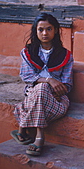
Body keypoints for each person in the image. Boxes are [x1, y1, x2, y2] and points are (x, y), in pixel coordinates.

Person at [10, 13, 73, 156]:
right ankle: (40, 136)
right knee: (42, 88)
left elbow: (67, 84)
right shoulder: (27, 52)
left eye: (49, 29)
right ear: (35, 31)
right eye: (41, 29)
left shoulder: (66, 55)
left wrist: (56, 90)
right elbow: (26, 76)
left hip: (57, 101)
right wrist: (49, 80)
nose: (45, 33)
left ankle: (22, 129)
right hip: (32, 95)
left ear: (56, 30)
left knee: (42, 90)